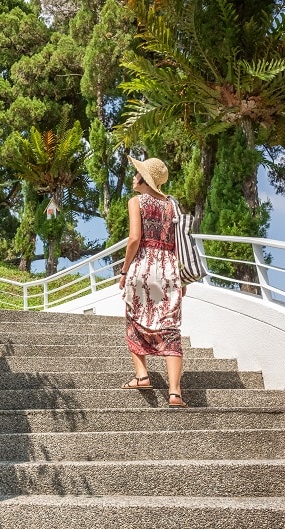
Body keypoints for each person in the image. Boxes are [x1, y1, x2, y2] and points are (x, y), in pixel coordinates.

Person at [117, 156, 187, 408]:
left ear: (145, 179)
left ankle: (142, 375)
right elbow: (180, 242)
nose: (133, 177)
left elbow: (134, 238)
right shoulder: (172, 205)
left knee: (134, 318)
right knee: (170, 326)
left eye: (137, 174)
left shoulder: (136, 202)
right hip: (169, 268)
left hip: (143, 266)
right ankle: (175, 393)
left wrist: (124, 271)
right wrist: (183, 276)